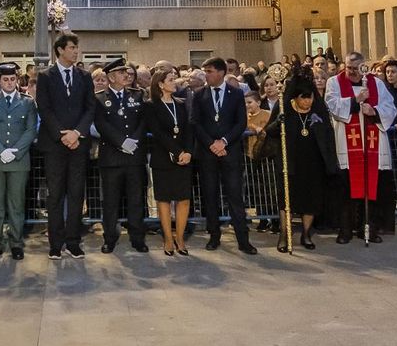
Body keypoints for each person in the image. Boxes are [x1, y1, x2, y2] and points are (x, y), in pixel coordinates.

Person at [324, 52, 397, 244]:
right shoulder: (334, 82)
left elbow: (390, 107)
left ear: (363, 67)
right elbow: (332, 104)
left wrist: (374, 110)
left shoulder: (376, 83)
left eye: (357, 68)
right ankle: (346, 230)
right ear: (344, 65)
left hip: (373, 144)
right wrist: (356, 101)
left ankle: (369, 228)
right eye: (349, 68)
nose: (353, 72)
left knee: (372, 187)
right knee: (346, 190)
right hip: (346, 146)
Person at [35, 32, 96, 260]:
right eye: (71, 47)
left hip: (78, 144)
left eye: (76, 47)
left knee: (76, 193)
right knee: (55, 195)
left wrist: (77, 133)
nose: (75, 51)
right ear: (60, 50)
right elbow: (45, 108)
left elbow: (90, 107)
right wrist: (62, 135)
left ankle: (73, 241)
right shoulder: (46, 76)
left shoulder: (84, 76)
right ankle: (55, 242)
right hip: (55, 144)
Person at [192, 56, 257, 254]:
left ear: (221, 72)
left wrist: (224, 142)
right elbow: (195, 122)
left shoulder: (236, 94)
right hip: (208, 153)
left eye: (210, 71)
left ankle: (242, 239)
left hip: (230, 152)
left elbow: (240, 123)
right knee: (210, 196)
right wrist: (211, 143)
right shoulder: (199, 94)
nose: (206, 76)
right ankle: (214, 236)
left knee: (235, 196)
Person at [270, 70, 334, 251]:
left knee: (310, 200)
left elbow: (327, 134)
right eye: (304, 98)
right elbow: (269, 131)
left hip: (313, 163)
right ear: (296, 97)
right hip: (290, 162)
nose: (308, 101)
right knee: (286, 200)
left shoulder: (318, 110)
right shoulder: (284, 108)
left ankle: (306, 234)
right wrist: (278, 122)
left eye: (310, 98)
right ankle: (284, 235)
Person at [0, 63, 35, 261]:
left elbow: (30, 130)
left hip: (18, 161)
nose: (9, 83)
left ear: (17, 80)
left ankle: (16, 243)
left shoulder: (27, 102)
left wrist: (15, 152)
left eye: (12, 79)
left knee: (16, 205)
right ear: (0, 81)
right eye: (5, 79)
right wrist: (0, 151)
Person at [93, 58, 148, 255]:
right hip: (112, 158)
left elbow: (143, 121)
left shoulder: (138, 95)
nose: (126, 75)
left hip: (134, 157)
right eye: (121, 72)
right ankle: (110, 238)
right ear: (110, 77)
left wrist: (134, 141)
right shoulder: (99, 98)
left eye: (126, 71)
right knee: (110, 201)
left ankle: (137, 238)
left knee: (135, 200)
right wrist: (121, 142)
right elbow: (101, 124)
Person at [142, 67, 194, 256]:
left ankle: (180, 238)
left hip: (183, 158)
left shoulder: (180, 104)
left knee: (184, 199)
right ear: (160, 84)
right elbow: (158, 132)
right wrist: (177, 151)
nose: (175, 82)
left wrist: (187, 152)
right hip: (163, 158)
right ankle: (168, 239)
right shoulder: (150, 105)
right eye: (171, 79)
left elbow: (188, 129)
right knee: (164, 200)